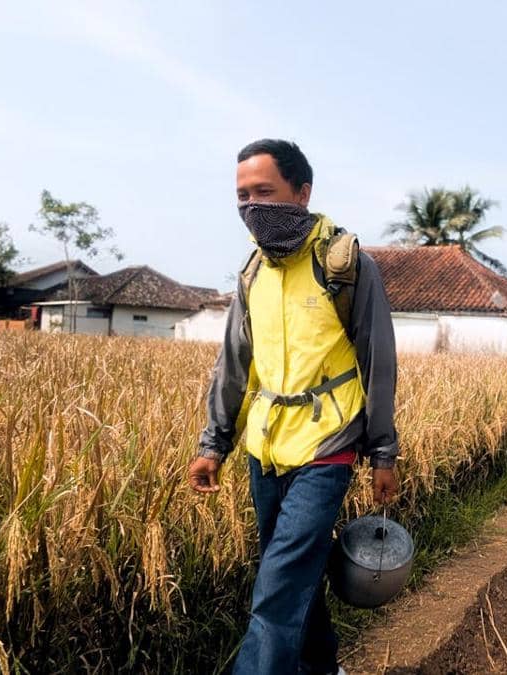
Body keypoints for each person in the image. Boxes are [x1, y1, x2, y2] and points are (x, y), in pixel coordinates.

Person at [187, 139, 400, 675]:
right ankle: (323, 668)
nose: (252, 207)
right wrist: (215, 443)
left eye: (265, 192)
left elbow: (378, 359)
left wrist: (383, 452)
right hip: (265, 446)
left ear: (302, 192)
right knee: (293, 572)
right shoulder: (253, 272)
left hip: (327, 445)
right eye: (242, 196)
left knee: (278, 585)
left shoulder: (346, 265)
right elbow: (235, 362)